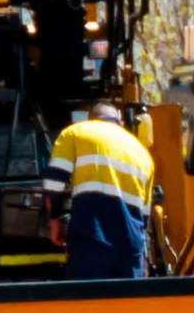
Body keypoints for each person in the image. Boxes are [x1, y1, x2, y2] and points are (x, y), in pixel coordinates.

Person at [47, 103, 158, 280]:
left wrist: (54, 221)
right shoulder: (143, 154)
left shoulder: (75, 133)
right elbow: (144, 218)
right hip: (130, 250)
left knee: (89, 303)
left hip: (92, 239)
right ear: (121, 123)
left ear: (90, 119)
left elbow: (54, 184)